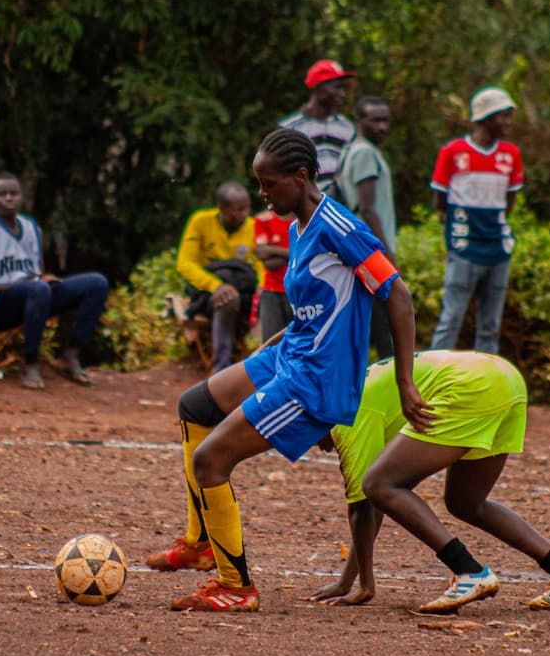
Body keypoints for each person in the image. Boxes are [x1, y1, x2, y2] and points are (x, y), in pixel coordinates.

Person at [147, 128, 428, 613]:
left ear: (300, 177)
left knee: (210, 462)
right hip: (290, 353)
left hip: (313, 378)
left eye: (269, 183)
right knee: (194, 406)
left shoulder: (339, 227)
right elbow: (318, 310)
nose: (262, 194)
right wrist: (273, 347)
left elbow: (397, 295)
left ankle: (236, 587)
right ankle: (201, 544)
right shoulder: (299, 227)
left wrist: (404, 382)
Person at [307, 350, 550, 612]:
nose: (311, 445)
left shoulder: (344, 416)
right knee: (466, 502)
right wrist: (352, 581)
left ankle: (469, 572)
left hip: (469, 385)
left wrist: (359, 585)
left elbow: (364, 506)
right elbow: (373, 506)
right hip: (503, 376)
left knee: (380, 484)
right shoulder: (354, 388)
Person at [0, 172, 109, 389]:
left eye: (14, 193)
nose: (9, 198)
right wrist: (21, 286)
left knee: (97, 283)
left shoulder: (33, 228)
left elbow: (36, 272)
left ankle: (71, 354)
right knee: (37, 289)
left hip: (35, 294)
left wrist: (46, 279)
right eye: (2, 194)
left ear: (22, 196)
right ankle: (31, 364)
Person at [429, 86, 524, 354]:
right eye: (503, 116)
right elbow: (440, 199)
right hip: (464, 247)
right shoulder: (453, 152)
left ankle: (487, 386)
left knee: (490, 326)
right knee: (451, 319)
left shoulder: (510, 155)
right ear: (485, 117)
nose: (508, 122)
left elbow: (510, 200)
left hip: (498, 247)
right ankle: (430, 380)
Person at [175, 182, 264, 373]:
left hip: (243, 290)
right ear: (221, 208)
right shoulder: (200, 222)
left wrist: (263, 287)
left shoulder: (253, 226)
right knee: (227, 298)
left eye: (247, 208)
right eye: (237, 210)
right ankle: (221, 368)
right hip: (208, 293)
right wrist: (215, 286)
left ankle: (262, 368)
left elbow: (260, 263)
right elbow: (185, 263)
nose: (244, 214)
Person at [335, 95, 397, 360]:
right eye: (375, 120)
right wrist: (386, 254)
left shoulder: (351, 150)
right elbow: (367, 207)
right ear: (359, 121)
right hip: (371, 251)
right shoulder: (364, 153)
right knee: (387, 322)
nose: (382, 127)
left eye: (385, 121)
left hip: (360, 250)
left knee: (374, 321)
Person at [279, 59, 357, 198]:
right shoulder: (290, 128)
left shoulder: (347, 128)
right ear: (318, 87)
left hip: (341, 208)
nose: (342, 93)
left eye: (343, 88)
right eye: (337, 87)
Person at [251, 209, 293, 343]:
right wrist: (297, 252)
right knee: (271, 346)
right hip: (272, 291)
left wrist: (272, 250)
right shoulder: (263, 219)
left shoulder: (307, 218)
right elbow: (269, 263)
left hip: (301, 291)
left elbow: (312, 252)